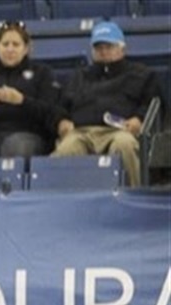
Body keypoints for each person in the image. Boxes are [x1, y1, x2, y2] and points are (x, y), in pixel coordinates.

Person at [52, 20, 162, 187]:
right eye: (99, 48)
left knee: (124, 145)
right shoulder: (79, 76)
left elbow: (153, 104)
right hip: (82, 131)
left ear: (122, 49)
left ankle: (135, 194)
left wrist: (139, 119)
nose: (103, 51)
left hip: (120, 130)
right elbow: (60, 106)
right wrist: (62, 121)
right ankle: (65, 201)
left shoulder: (142, 74)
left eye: (109, 47)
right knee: (67, 149)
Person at [0, 20, 61, 159]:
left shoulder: (42, 73)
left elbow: (50, 113)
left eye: (16, 44)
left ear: (26, 48)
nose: (10, 49)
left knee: (16, 147)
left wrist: (22, 101)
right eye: (5, 44)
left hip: (28, 133)